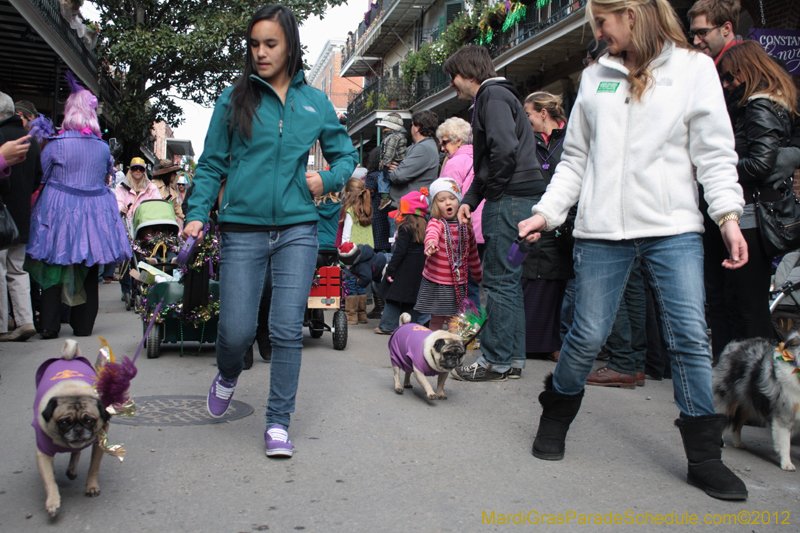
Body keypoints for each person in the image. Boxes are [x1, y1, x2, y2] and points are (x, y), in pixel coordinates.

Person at [518, 0, 749, 501]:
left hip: (674, 227)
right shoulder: (596, 76)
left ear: (633, 14)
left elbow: (713, 151)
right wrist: (547, 212)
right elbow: (575, 158)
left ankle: (705, 458)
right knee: (586, 335)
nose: (599, 33)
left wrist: (728, 217)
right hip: (601, 230)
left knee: (689, 334)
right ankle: (555, 415)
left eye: (603, 21)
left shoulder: (693, 69)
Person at [183, 5, 357, 458]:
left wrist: (329, 179)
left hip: (299, 228)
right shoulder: (234, 98)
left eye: (270, 44)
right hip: (242, 229)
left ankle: (278, 423)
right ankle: (226, 374)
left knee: (284, 328)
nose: (260, 53)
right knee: (237, 332)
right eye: (254, 44)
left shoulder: (314, 102)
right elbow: (212, 164)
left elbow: (346, 156)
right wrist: (198, 211)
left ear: (289, 47)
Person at [445, 44, 547, 382]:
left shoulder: (492, 97)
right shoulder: (499, 96)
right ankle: (511, 359)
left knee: (497, 282)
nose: (452, 85)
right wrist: (471, 200)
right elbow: (488, 163)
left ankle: (495, 361)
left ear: (470, 73)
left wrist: (494, 194)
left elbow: (503, 150)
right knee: (508, 282)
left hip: (510, 198)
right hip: (517, 195)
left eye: (453, 76)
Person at [25, 73, 132, 339]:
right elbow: (105, 177)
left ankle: (49, 325)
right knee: (89, 264)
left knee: (53, 262)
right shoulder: (103, 148)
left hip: (58, 209)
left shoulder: (55, 145)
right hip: (95, 212)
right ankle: (83, 325)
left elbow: (43, 176)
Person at [709, 40, 798, 343]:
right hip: (751, 213)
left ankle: (758, 384)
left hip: (751, 215)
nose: (726, 83)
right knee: (742, 305)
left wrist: (719, 171)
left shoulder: (758, 104)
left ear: (745, 71)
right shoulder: (764, 103)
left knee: (747, 308)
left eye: (730, 77)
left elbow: (761, 163)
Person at [520, 92, 573, 365]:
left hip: (562, 221)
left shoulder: (569, 140)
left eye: (528, 113)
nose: (526, 119)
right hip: (534, 215)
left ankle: (552, 344)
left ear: (543, 113)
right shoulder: (528, 141)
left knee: (556, 281)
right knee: (532, 276)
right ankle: (530, 342)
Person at [0, 92, 42, 342]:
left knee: (0, 267)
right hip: (21, 213)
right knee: (17, 269)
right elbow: (38, 178)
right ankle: (25, 319)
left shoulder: (2, 136)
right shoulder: (31, 140)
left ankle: (3, 325)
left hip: (2, 212)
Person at [416, 178, 482, 332]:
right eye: (442, 200)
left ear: (459, 202)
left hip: (457, 283)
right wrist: (431, 244)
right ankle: (433, 343)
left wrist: (478, 275)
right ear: (435, 204)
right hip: (437, 280)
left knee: (454, 318)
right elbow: (431, 234)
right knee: (437, 317)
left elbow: (472, 253)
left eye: (452, 198)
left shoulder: (466, 227)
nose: (448, 203)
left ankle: (453, 345)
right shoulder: (436, 222)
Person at [437, 117, 484, 311]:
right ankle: (476, 332)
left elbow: (445, 199)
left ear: (458, 140)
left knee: (463, 287)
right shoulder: (480, 158)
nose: (442, 148)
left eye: (445, 141)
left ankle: (468, 334)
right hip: (483, 229)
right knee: (475, 284)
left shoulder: (455, 163)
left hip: (463, 229)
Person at [375, 190, 430, 334]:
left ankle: (388, 325)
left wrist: (390, 270)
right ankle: (410, 327)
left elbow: (399, 253)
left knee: (392, 297)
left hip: (403, 270)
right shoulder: (425, 227)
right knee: (411, 300)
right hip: (419, 271)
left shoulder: (405, 228)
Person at [115, 157, 161, 301]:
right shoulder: (121, 186)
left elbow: (157, 203)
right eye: (135, 168)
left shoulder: (151, 187)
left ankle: (140, 285)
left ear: (144, 171)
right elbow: (117, 203)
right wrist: (121, 208)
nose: (138, 171)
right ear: (130, 170)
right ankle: (126, 289)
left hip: (144, 227)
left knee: (142, 258)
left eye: (141, 169)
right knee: (127, 258)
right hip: (127, 226)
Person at [386, 110, 439, 230]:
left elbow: (398, 175)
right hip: (408, 210)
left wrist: (395, 169)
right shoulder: (419, 147)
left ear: (417, 128)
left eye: (412, 124)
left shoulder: (423, 148)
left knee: (402, 248)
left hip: (411, 213)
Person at [338, 177, 373, 324]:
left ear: (348, 193)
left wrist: (342, 251)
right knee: (362, 281)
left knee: (351, 280)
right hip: (367, 251)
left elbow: (346, 234)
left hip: (352, 251)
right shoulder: (367, 210)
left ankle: (351, 315)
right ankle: (362, 313)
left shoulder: (349, 210)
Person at [376, 113, 407, 211]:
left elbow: (389, 152)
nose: (382, 129)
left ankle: (385, 198)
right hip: (398, 164)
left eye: (384, 127)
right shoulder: (399, 136)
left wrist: (386, 165)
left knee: (382, 179)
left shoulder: (392, 138)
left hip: (392, 165)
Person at [151, 159, 185, 225]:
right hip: (156, 221)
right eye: (174, 173)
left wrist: (185, 219)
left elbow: (177, 208)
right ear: (168, 174)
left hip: (170, 223)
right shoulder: (153, 186)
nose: (176, 175)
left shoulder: (172, 188)